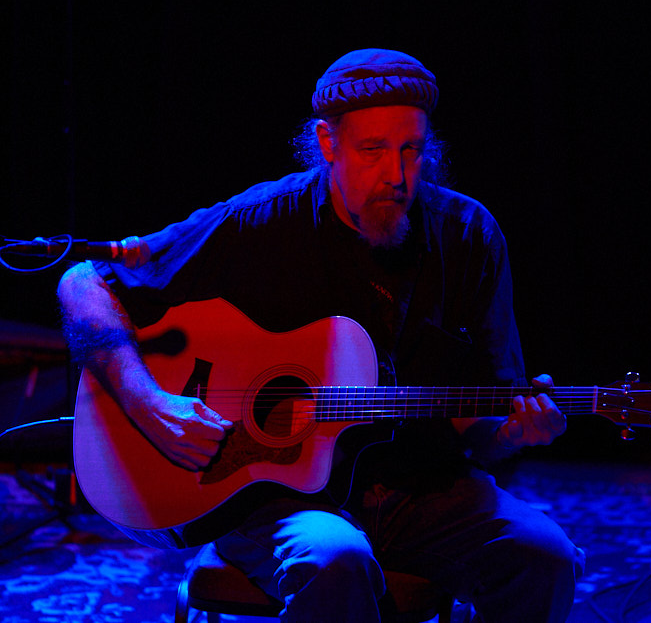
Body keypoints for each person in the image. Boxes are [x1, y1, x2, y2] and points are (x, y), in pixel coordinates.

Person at [58, 48, 584, 622]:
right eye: (373, 150)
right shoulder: (260, 222)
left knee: (545, 554)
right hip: (278, 499)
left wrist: (512, 434)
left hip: (423, 487)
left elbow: (480, 429)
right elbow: (85, 283)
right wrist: (148, 400)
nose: (398, 176)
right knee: (335, 558)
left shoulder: (469, 236)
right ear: (328, 144)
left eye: (412, 150)